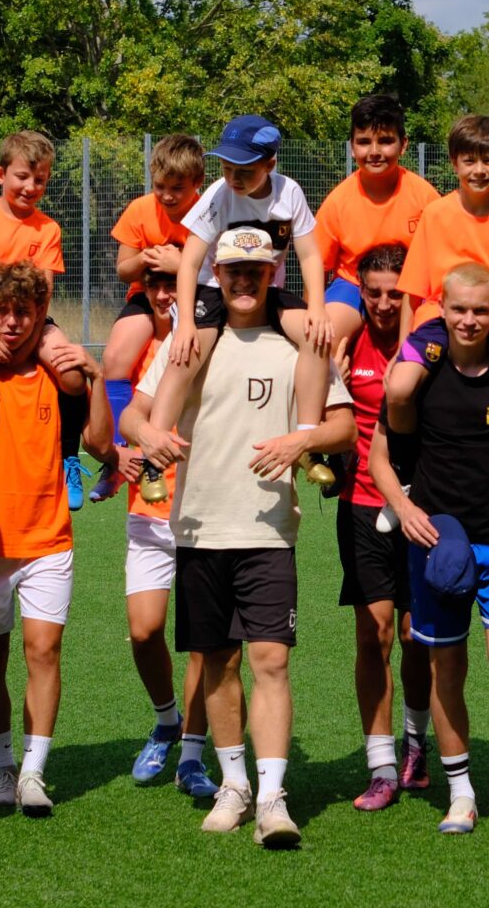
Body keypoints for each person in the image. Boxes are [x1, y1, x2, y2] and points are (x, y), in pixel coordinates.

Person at [129, 226, 353, 849]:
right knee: (219, 662)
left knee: (271, 661)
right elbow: (134, 412)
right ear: (217, 277)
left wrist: (301, 440)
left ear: (273, 273)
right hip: (200, 527)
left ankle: (273, 797)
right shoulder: (190, 342)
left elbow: (343, 428)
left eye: (256, 270)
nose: (245, 280)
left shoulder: (299, 342)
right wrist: (147, 436)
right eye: (233, 270)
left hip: (268, 530)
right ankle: (234, 785)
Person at [370, 263, 489, 838]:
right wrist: (403, 506)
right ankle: (460, 792)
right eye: (459, 310)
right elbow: (377, 454)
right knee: (445, 668)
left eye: (480, 310)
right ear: (441, 311)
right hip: (438, 543)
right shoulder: (420, 375)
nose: (469, 320)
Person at [0, 259, 111, 817]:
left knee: (43, 652)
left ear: (42, 314)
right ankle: (2, 768)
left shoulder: (59, 372)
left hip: (46, 538)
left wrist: (95, 376)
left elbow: (99, 443)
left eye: (24, 311)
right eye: (2, 311)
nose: (13, 322)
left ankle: (34, 773)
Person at [387, 115, 489, 528]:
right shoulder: (436, 214)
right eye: (470, 160)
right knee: (399, 388)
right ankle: (404, 477)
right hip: (438, 318)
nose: (479, 170)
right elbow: (413, 292)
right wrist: (402, 348)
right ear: (454, 163)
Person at [104, 254, 216, 798]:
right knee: (145, 631)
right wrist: (118, 452)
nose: (166, 294)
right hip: (149, 512)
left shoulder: (210, 341)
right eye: (156, 285)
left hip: (203, 512)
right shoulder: (140, 348)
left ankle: (192, 755)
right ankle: (167, 719)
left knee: (201, 640)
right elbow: (116, 420)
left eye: (175, 283)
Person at [161, 116, 334, 462]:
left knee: (315, 336)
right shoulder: (218, 195)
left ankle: (306, 441)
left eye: (244, 171)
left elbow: (310, 255)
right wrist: (186, 324)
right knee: (186, 352)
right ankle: (155, 449)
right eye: (226, 169)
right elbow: (190, 263)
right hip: (214, 288)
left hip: (264, 291)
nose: (233, 179)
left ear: (270, 164)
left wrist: (317, 307)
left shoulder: (290, 193)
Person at [331, 242, 429, 809]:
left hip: (421, 508)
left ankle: (416, 744)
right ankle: (381, 766)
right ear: (361, 294)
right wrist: (333, 381)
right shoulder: (345, 344)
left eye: (396, 293)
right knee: (375, 634)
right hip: (362, 506)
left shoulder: (429, 343)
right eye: (374, 293)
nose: (386, 304)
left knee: (418, 635)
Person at [0, 132, 91, 512]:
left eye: (39, 179)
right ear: (1, 175)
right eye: (22, 177)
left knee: (72, 374)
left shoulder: (48, 229)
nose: (30, 187)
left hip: (31, 323)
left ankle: (68, 455)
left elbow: (42, 296)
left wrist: (25, 347)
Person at [94, 132, 206, 504]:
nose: (167, 196)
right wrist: (144, 257)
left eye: (177, 188)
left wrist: (182, 264)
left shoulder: (209, 212)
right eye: (160, 187)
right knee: (114, 357)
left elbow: (220, 272)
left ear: (197, 183)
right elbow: (123, 270)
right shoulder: (141, 210)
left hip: (197, 299)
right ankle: (117, 454)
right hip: (146, 295)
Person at [313, 94, 440, 355]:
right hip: (353, 285)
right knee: (322, 339)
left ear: (403, 144)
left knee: (430, 343)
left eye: (385, 141)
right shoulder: (337, 202)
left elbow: (441, 262)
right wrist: (312, 313)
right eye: (363, 142)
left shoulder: (425, 198)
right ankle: (333, 381)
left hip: (412, 289)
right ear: (352, 146)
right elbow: (316, 267)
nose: (374, 152)